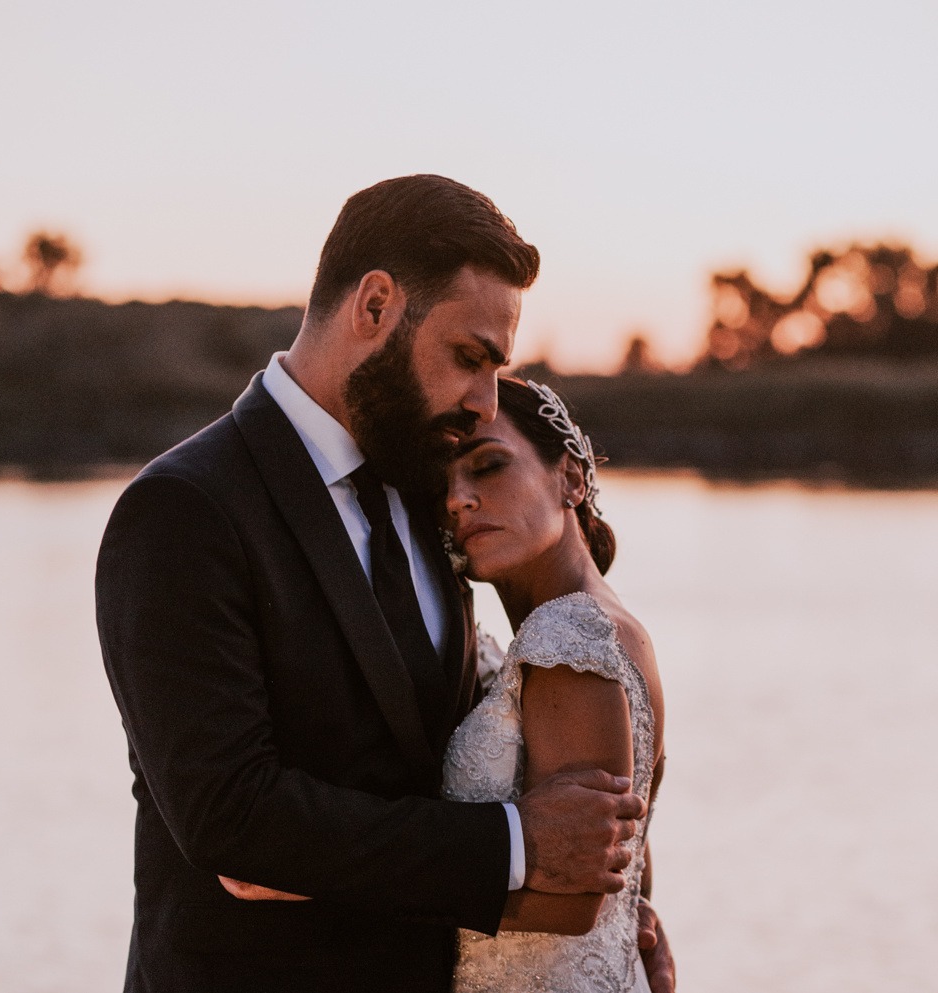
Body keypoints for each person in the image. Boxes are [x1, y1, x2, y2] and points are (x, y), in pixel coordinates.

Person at [96, 174, 671, 993]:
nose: (483, 401)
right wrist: (514, 846)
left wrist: (619, 926)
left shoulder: (428, 488)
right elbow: (230, 814)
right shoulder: (185, 510)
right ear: (375, 306)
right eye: (469, 357)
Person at [441, 376, 668, 992]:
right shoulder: (615, 626)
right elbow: (631, 852)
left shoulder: (566, 636)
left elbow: (574, 900)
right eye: (440, 486)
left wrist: (327, 883)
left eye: (487, 467)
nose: (458, 500)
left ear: (570, 477)